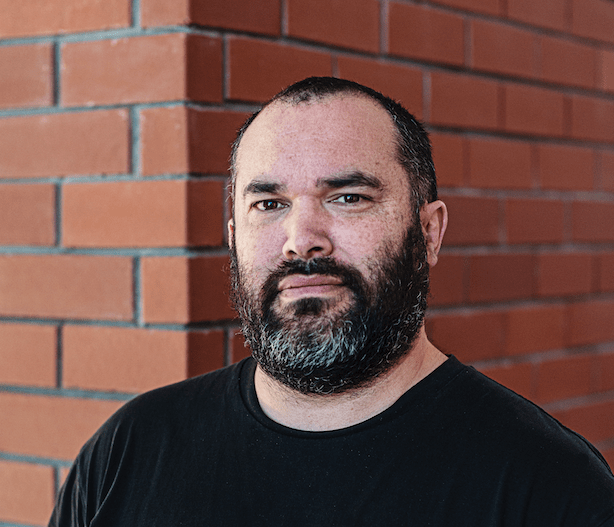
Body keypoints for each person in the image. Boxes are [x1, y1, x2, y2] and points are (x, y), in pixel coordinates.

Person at [49, 77, 614, 526]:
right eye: (268, 204)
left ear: (430, 234)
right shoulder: (129, 451)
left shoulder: (550, 486)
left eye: (348, 197)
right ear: (232, 236)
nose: (302, 238)